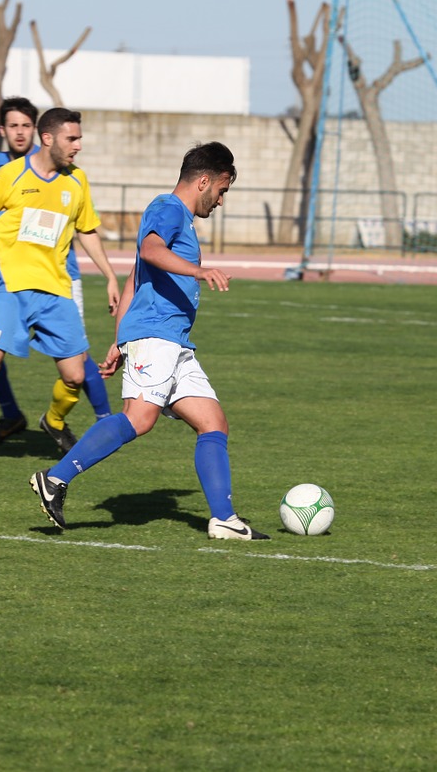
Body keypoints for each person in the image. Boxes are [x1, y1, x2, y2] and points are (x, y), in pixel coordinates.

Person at [28, 142, 270, 541]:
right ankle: (54, 479)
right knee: (140, 418)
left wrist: (120, 338)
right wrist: (198, 270)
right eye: (222, 190)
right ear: (204, 180)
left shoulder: (182, 220)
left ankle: (224, 519)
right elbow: (150, 250)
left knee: (213, 423)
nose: (222, 200)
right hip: (157, 335)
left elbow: (135, 278)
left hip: (172, 341)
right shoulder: (167, 208)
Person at [0, 108, 119, 464]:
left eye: (79, 138)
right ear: (49, 138)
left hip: (56, 292)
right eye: (73, 138)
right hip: (11, 289)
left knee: (74, 376)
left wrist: (110, 275)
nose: (79, 146)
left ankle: (53, 421)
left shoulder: (77, 181)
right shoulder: (11, 173)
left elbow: (86, 229)